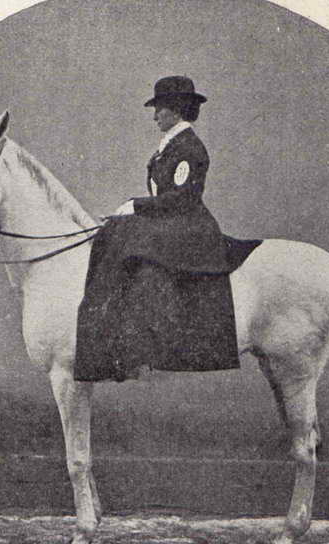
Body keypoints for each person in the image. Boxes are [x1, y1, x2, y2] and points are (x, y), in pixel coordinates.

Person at [73, 76, 258, 382]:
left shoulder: (189, 147)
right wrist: (131, 209)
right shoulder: (171, 145)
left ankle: (146, 341)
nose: (155, 116)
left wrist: (136, 206)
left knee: (137, 248)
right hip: (172, 221)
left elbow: (182, 198)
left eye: (159, 109)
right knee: (119, 232)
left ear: (176, 109)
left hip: (190, 225)